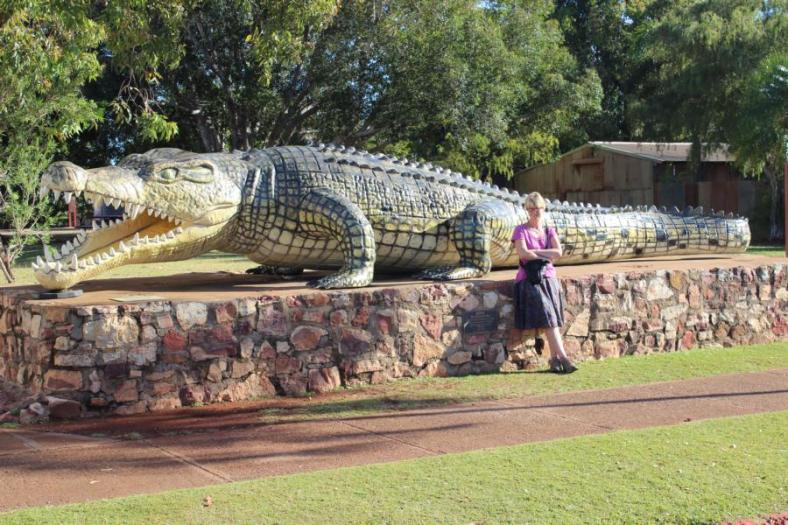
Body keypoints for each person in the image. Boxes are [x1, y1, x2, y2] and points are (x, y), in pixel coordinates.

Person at [511, 192, 577, 374]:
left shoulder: (549, 230)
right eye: (532, 208)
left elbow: (559, 252)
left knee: (552, 317)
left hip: (549, 278)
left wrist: (537, 253)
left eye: (538, 207)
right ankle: (563, 357)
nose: (536, 211)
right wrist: (546, 254)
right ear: (527, 210)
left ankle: (554, 360)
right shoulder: (520, 230)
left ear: (544, 208)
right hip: (529, 280)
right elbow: (523, 253)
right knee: (549, 316)